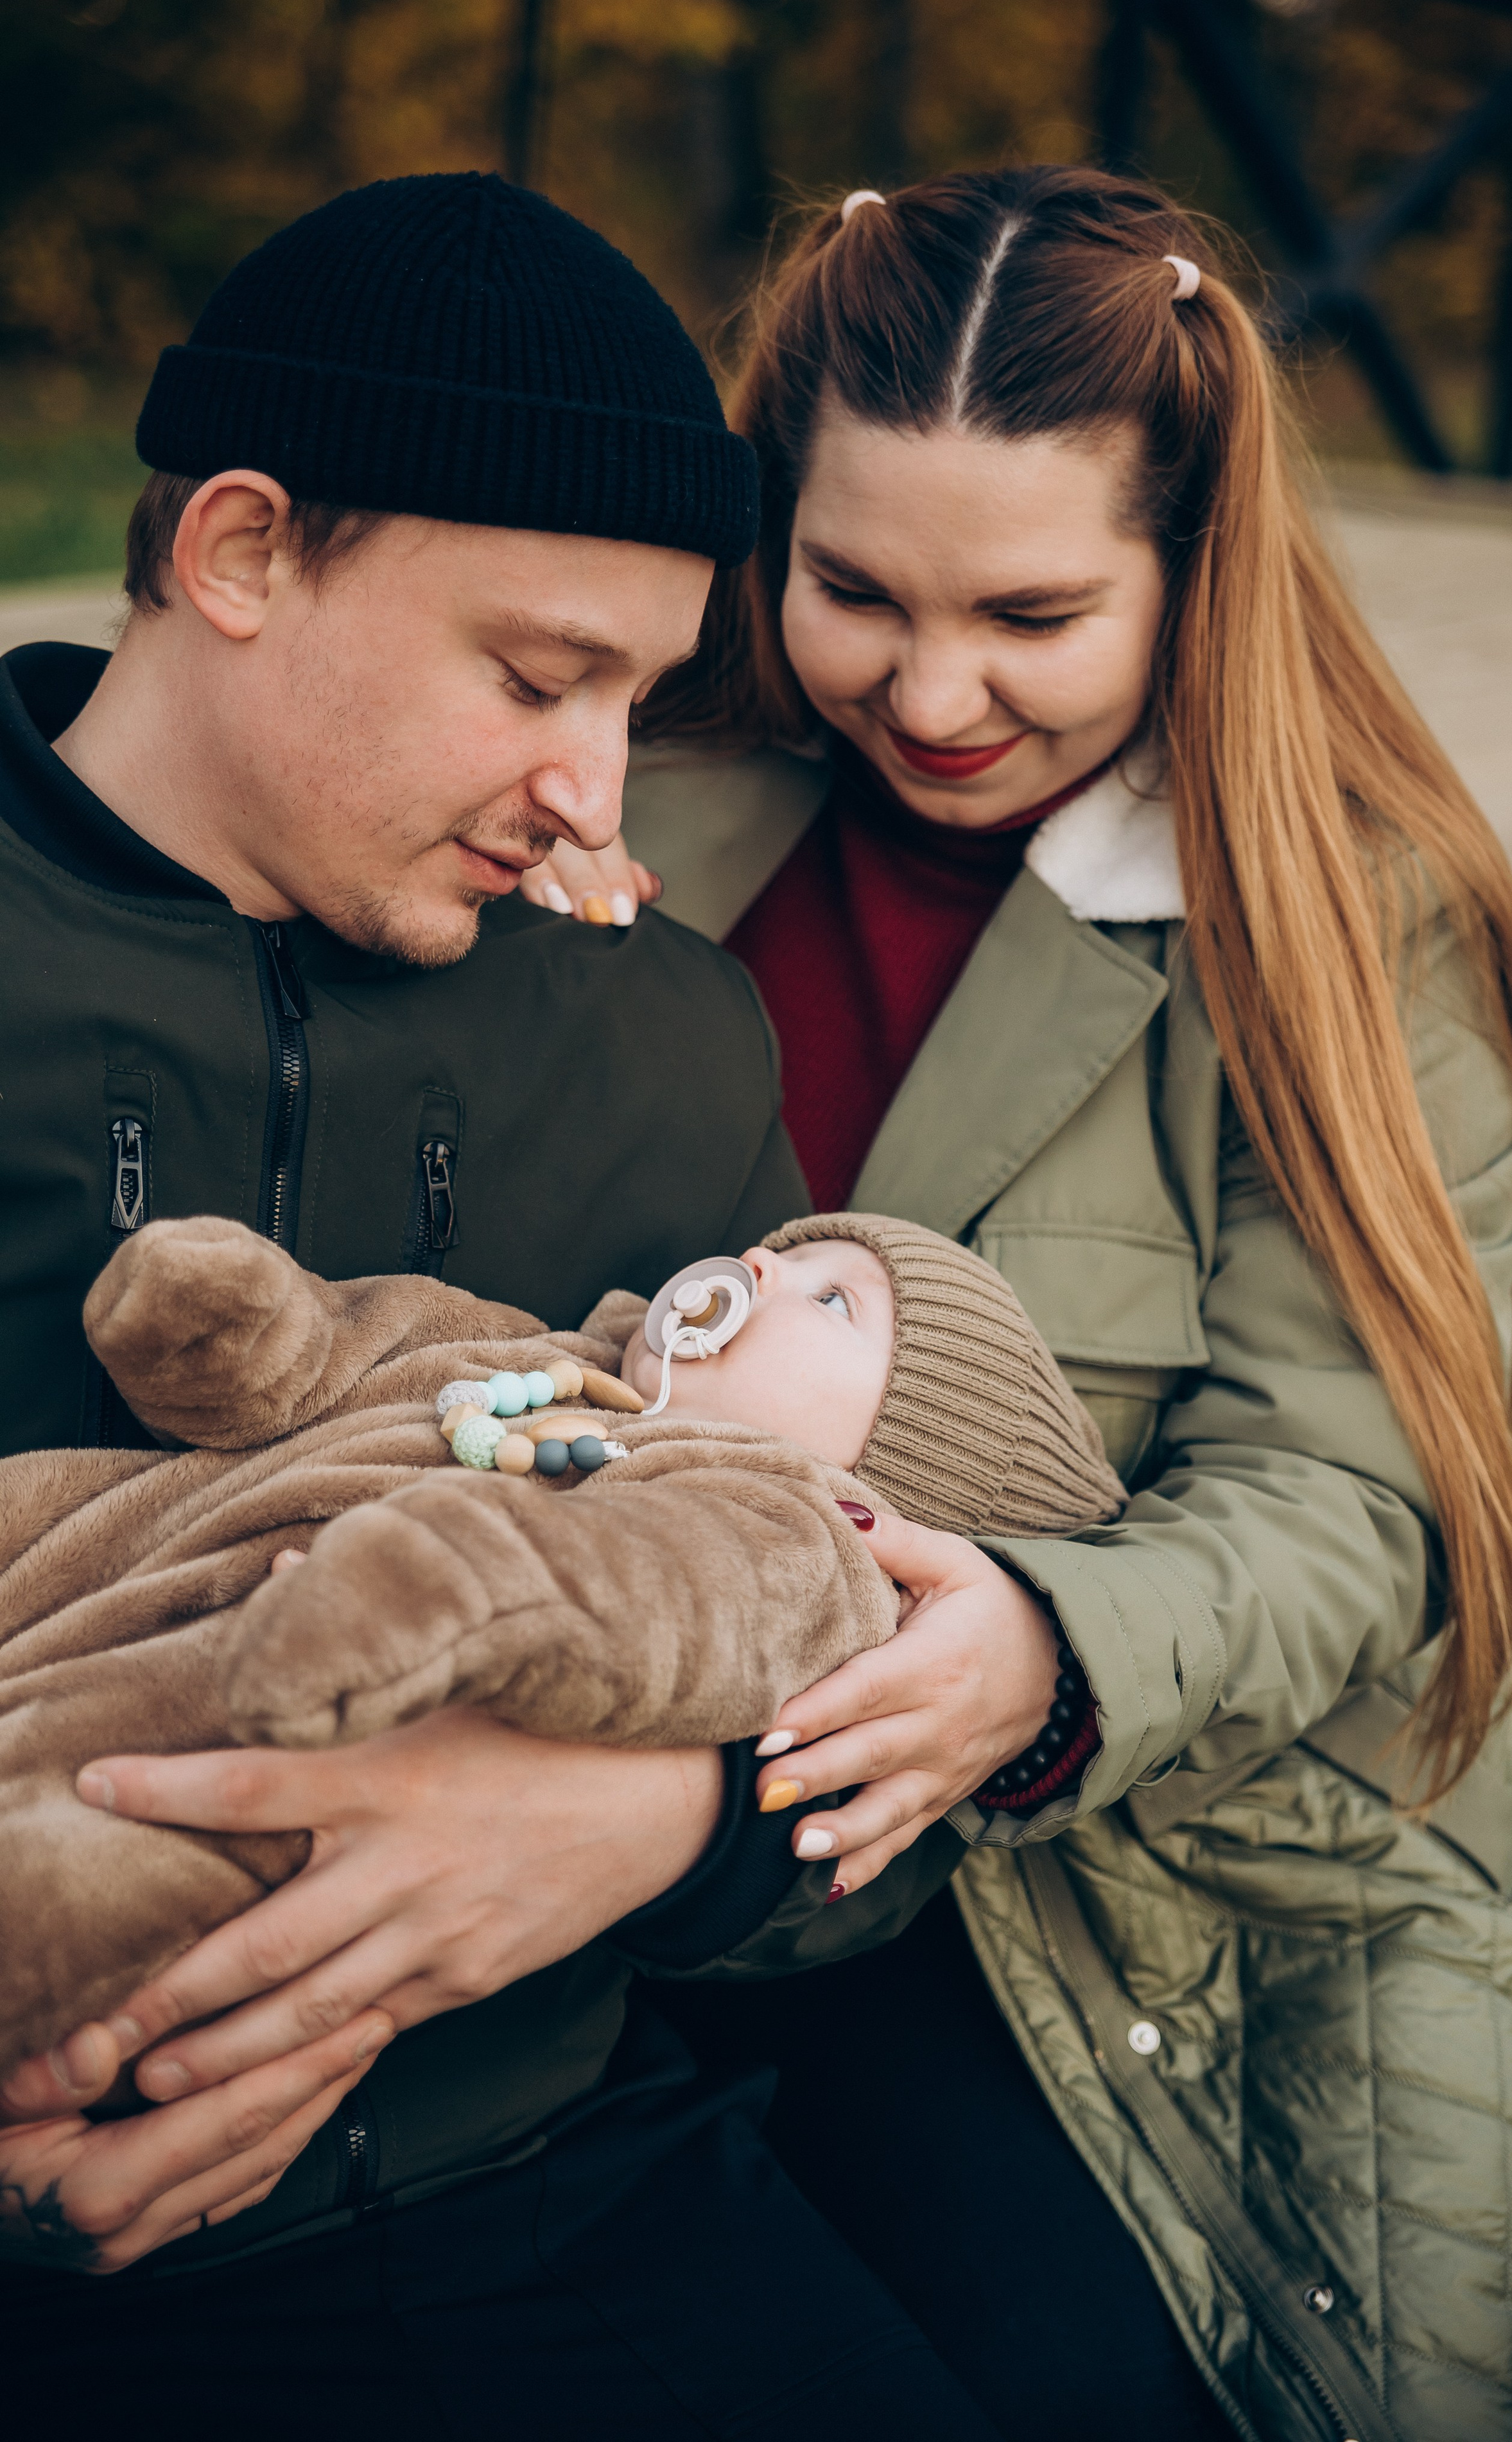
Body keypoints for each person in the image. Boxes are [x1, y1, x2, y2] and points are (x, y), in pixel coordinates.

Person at [0, 173, 1068, 2441]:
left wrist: (661, 1825)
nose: (597, 789)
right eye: (535, 674)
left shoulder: (658, 1037)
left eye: (643, 692)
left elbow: (834, 1652)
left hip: (546, 2188)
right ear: (244, 554)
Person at [557, 166, 1512, 2441]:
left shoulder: (1343, 912)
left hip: (1144, 1856)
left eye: (1031, 612)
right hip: (661, 1798)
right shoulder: (635, 799)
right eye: (853, 589)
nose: (929, 692)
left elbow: (1361, 1497)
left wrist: (1043, 1652)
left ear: (1194, 570)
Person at [2, 1205, 1120, 2082]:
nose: (763, 1271)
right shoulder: (546, 1357)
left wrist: (444, 1586)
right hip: (104, 1553)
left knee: (88, 1872)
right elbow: (362, 1347)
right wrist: (249, 1333)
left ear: (879, 1474)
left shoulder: (781, 1540)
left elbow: (636, 1604)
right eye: (784, 1254)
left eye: (835, 1302)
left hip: (277, 1738)